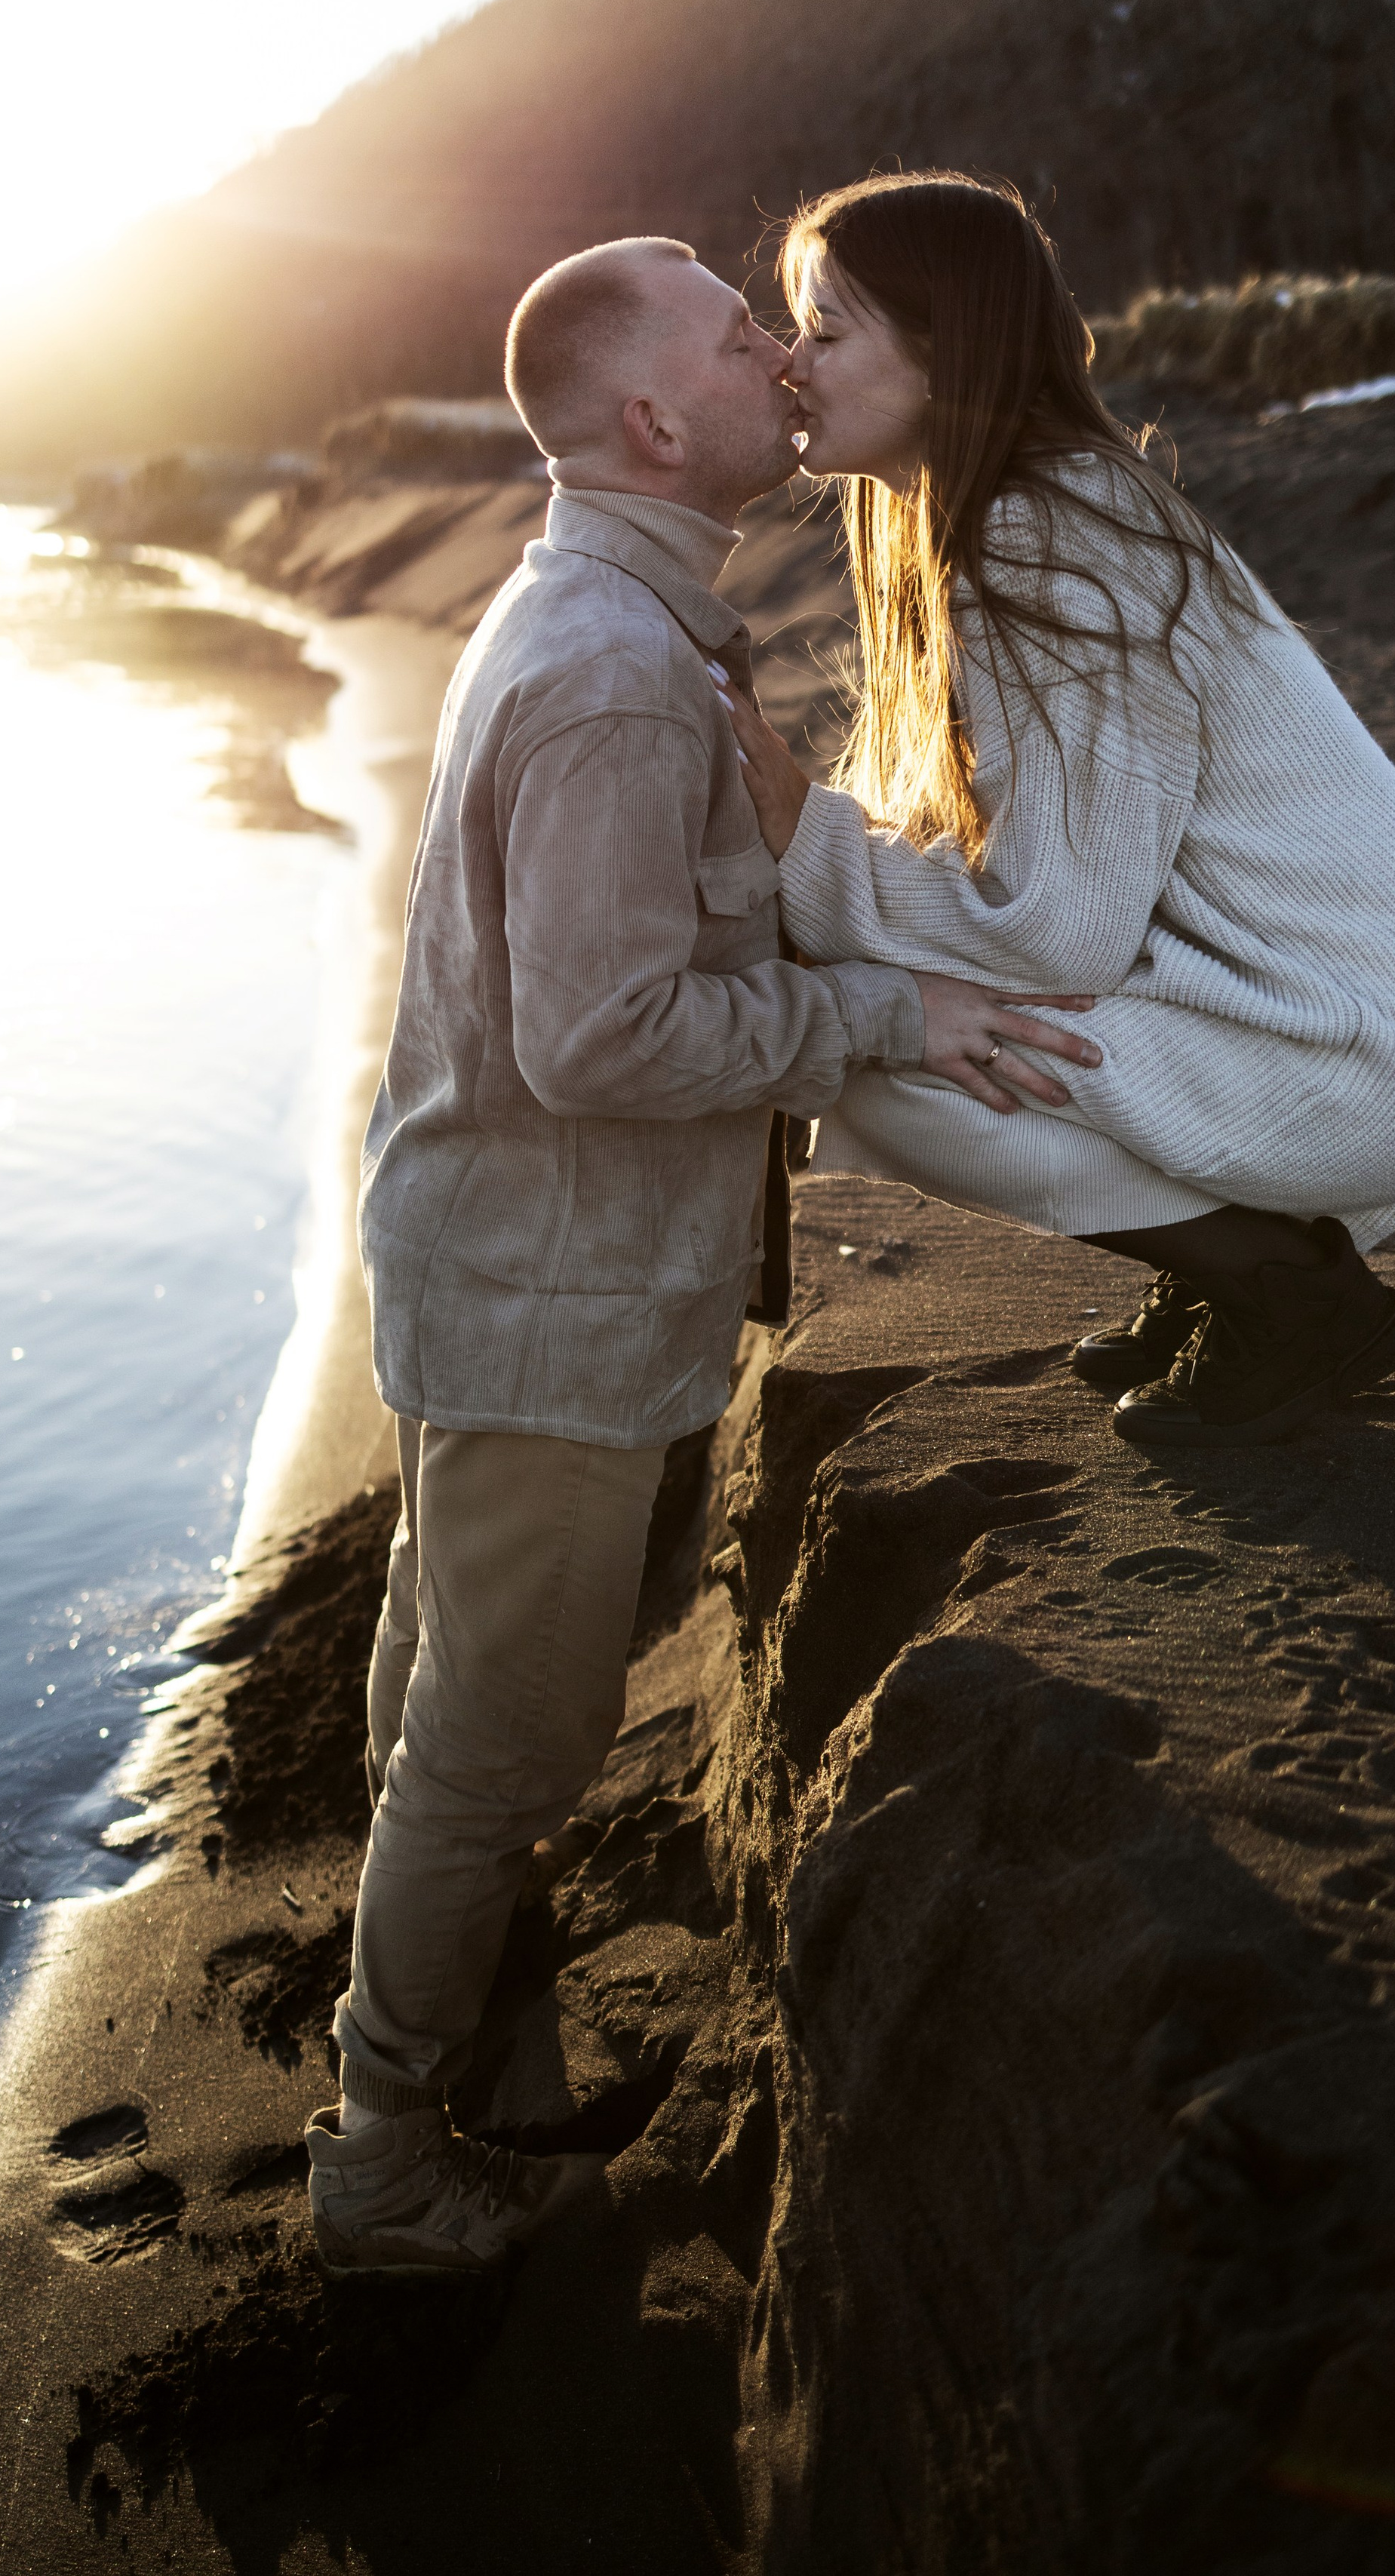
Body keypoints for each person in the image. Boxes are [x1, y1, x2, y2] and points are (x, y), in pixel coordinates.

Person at [305, 234, 1102, 2276]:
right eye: (734, 328)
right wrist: (885, 1017)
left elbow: (605, 971)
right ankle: (384, 2155)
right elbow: (600, 1038)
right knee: (510, 1730)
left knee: (458, 1666)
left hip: (508, 1265)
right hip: (545, 1301)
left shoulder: (614, 628)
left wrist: (765, 855)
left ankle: (451, 2006)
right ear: (657, 420)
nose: (775, 346)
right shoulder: (609, 675)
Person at [721, 170, 1395, 1447]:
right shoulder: (1037, 511)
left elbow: (1052, 933)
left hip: (1370, 1043)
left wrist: (795, 833)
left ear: (944, 347)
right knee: (915, 1008)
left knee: (881, 1059)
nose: (789, 370)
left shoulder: (1050, 542)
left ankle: (1286, 1293)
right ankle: (1219, 1263)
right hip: (1377, 1011)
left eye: (825, 330)